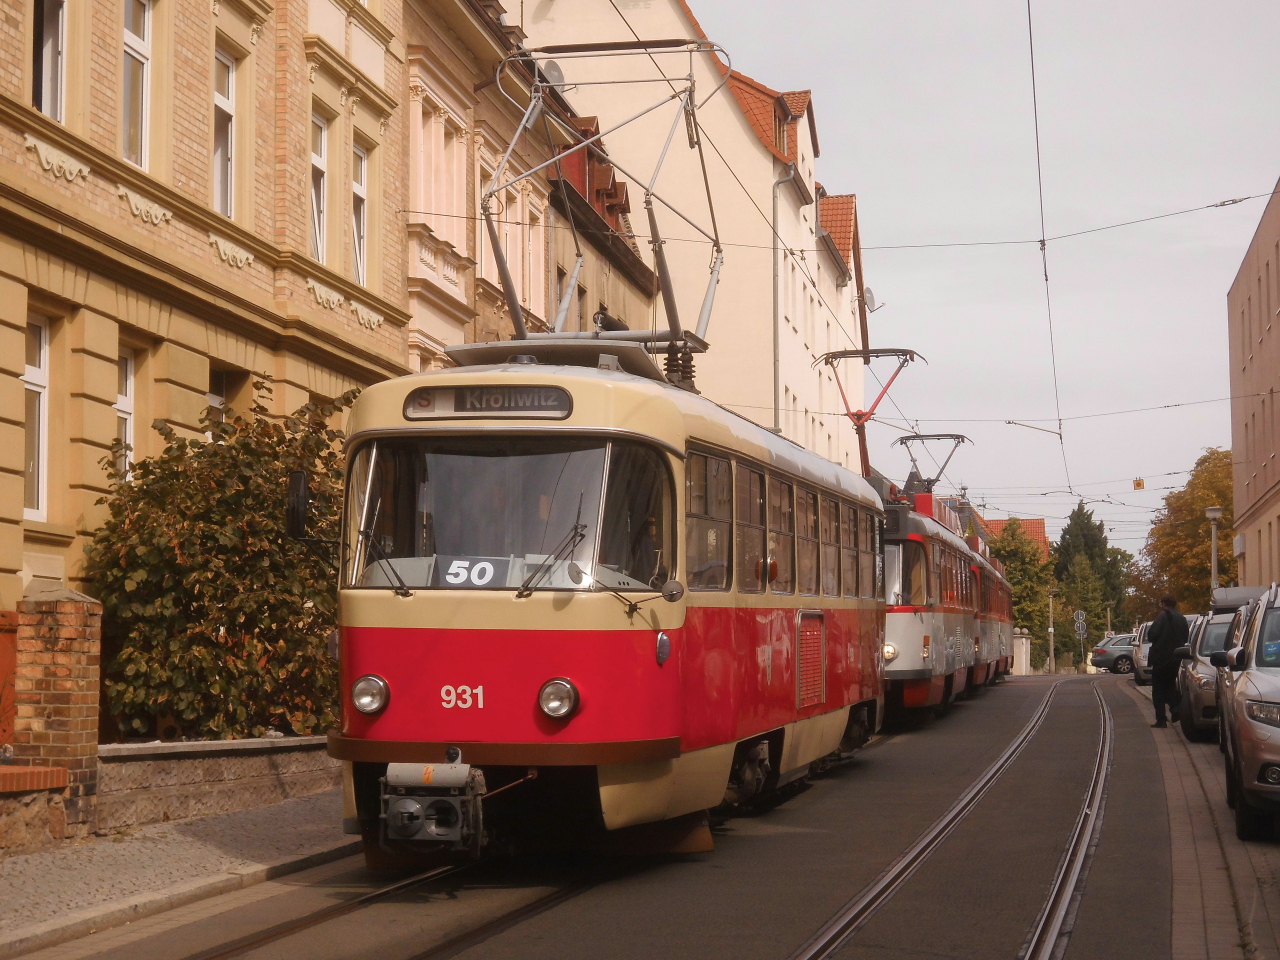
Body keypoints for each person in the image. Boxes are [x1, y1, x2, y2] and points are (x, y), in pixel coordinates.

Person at [1147, 595, 1189, 728]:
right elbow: (1186, 636)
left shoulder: (1163, 616)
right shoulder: (1182, 618)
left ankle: (1161, 719)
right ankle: (1175, 709)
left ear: (1164, 603)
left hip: (1161, 658)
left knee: (1158, 689)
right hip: (1176, 657)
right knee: (1170, 684)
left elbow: (1152, 634)